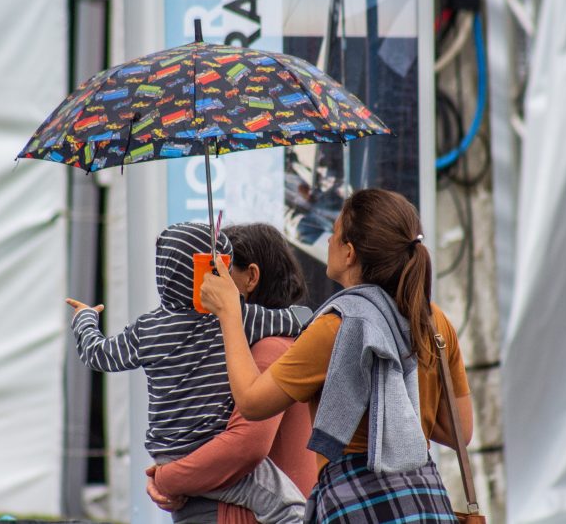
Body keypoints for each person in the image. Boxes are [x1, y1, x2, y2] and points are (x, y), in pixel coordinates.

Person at [200, 189, 472, 523]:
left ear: (349, 253)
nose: (328, 239)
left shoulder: (337, 327)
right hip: (424, 503)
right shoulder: (433, 319)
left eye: (335, 231)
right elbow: (460, 430)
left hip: (356, 504)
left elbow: (252, 403)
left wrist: (229, 310)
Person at [65, 222, 307, 524]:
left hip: (168, 454)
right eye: (217, 269)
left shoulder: (146, 329)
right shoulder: (236, 321)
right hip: (208, 457)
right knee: (292, 510)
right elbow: (298, 319)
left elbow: (98, 354)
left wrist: (85, 320)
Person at [145, 223, 319, 523]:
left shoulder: (270, 348)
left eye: (219, 271)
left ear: (251, 277)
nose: (201, 285)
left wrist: (166, 477)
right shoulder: (259, 347)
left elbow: (245, 445)